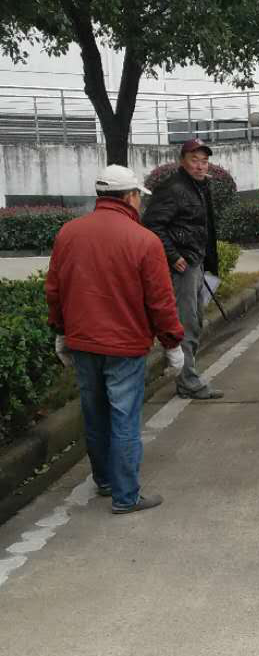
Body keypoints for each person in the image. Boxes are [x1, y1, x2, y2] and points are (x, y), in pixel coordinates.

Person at [45, 166, 186, 514]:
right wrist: (172, 344)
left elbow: (55, 289)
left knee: (95, 414)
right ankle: (126, 496)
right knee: (124, 418)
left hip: (83, 342)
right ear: (130, 197)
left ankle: (105, 481)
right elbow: (160, 301)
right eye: (138, 196)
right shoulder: (144, 241)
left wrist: (61, 331)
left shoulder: (69, 233)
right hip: (125, 345)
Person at [142, 137, 223, 399]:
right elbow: (152, 225)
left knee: (195, 321)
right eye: (194, 160)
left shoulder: (200, 186)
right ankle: (188, 381)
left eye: (204, 161)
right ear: (182, 161)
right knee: (186, 323)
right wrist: (173, 255)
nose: (200, 166)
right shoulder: (173, 188)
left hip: (195, 262)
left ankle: (187, 377)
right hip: (183, 266)